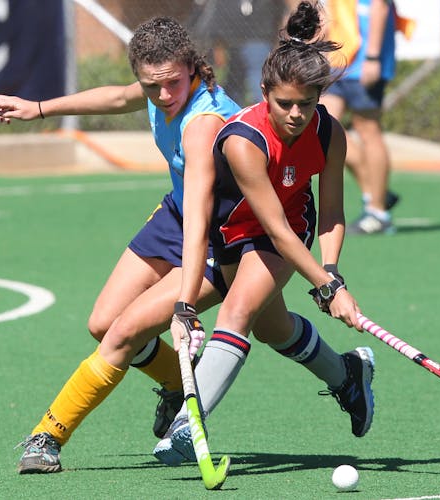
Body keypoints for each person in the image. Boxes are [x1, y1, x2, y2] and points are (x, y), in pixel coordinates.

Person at [0, 15, 364, 475]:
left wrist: (185, 304)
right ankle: (182, 383)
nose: (163, 96)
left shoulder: (204, 125)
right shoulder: (158, 89)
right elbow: (117, 97)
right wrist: (40, 108)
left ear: (194, 69)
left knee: (132, 332)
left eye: (172, 84)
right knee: (106, 323)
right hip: (177, 214)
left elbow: (206, 214)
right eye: (151, 86)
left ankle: (49, 435)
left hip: (221, 231)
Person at [154, 1, 376, 466]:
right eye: (285, 104)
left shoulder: (329, 133)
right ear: (263, 91)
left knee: (235, 313)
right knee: (274, 328)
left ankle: (187, 425)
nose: (296, 114)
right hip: (236, 235)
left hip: (289, 232)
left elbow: (331, 210)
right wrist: (324, 285)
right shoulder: (243, 140)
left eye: (307, 104)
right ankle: (348, 374)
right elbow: (267, 224)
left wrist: (331, 273)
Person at [320, 0, 400, 235]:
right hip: (338, 60)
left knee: (368, 129)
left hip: (364, 62)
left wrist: (373, 58)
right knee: (325, 126)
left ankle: (378, 212)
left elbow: (380, 7)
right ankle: (376, 190)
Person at [187, 0, 295, 106]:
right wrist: (218, 46)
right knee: (239, 81)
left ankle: (262, 107)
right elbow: (218, 17)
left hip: (256, 39)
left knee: (256, 76)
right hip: (235, 41)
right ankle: (247, 109)